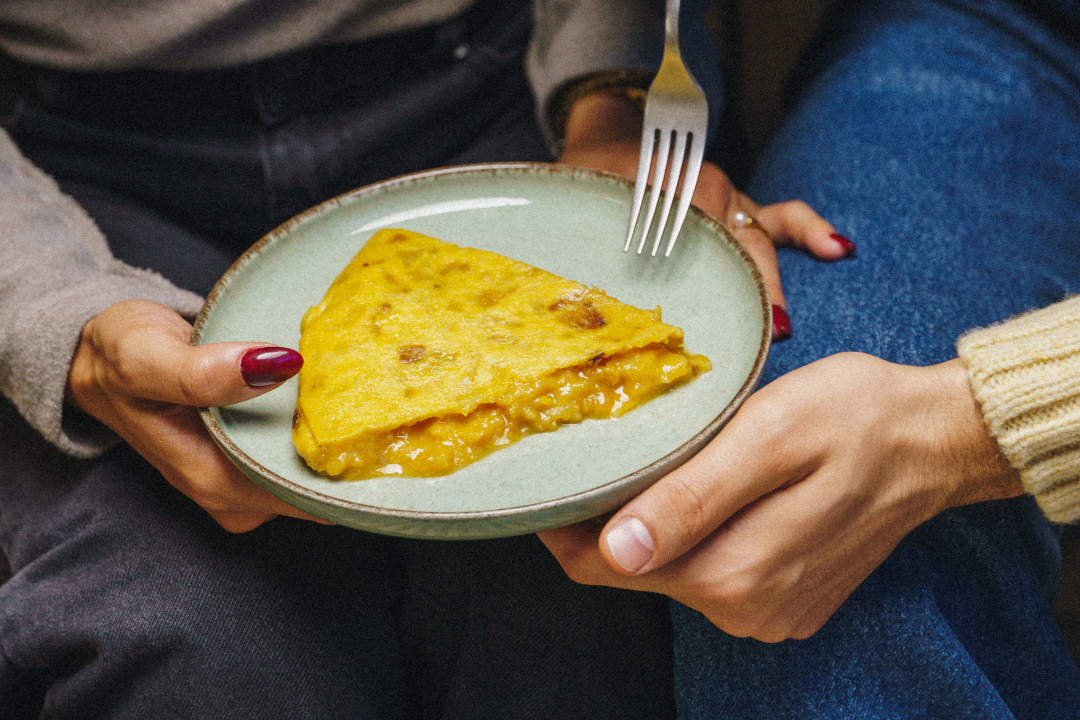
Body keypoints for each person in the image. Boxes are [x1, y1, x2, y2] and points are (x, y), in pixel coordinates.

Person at [0, 1, 847, 717]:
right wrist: (47, 305)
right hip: (66, 181)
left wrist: (614, 90)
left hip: (502, 99)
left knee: (588, 614)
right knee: (201, 645)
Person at [542, 0, 1080, 717]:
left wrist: (964, 425)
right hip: (1006, 28)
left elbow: (947, 430)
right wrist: (614, 95)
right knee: (793, 492)